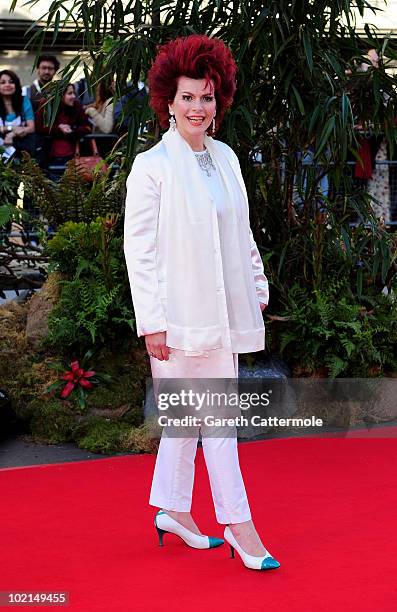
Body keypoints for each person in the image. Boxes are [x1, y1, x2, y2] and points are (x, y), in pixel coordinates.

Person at [124, 34, 280, 572]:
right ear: (168, 100)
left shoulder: (227, 158)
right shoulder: (152, 167)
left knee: (185, 421)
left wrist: (255, 287)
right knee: (217, 421)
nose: (198, 108)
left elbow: (242, 231)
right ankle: (240, 525)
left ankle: (171, 509)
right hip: (177, 319)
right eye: (188, 96)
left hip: (223, 312)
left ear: (220, 101)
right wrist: (153, 324)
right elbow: (138, 252)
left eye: (207, 97)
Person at [36, 83, 91, 178]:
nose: (73, 96)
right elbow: (39, 128)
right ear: (60, 95)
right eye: (69, 93)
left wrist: (72, 130)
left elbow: (87, 127)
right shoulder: (46, 105)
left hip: (73, 155)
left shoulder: (76, 105)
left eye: (74, 93)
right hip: (50, 156)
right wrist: (59, 128)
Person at [0, 70, 35, 161]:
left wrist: (12, 134)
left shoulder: (24, 101)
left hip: (22, 148)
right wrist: (12, 128)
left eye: (11, 82)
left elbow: (31, 127)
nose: (7, 85)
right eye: (2, 82)